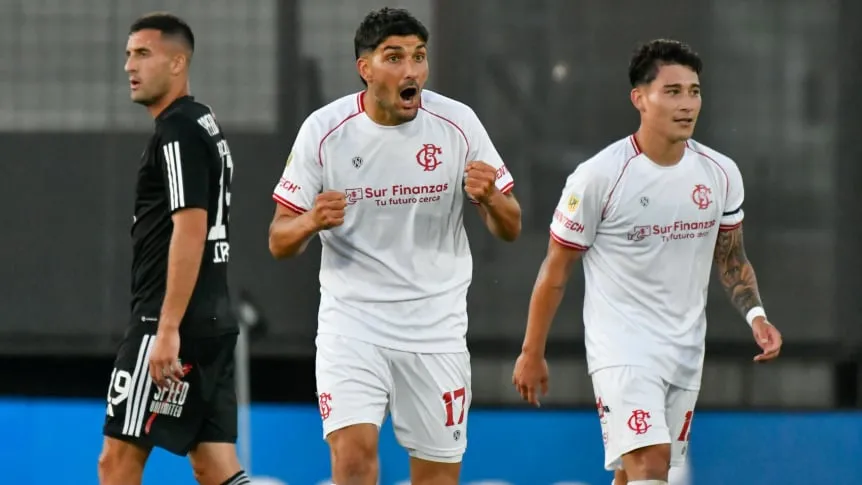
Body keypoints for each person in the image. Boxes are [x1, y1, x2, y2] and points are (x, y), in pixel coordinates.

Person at [511, 39, 783, 485]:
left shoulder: (720, 173)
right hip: (622, 346)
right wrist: (531, 351)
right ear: (639, 98)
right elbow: (556, 269)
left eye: (694, 91)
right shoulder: (599, 176)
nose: (687, 103)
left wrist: (757, 316)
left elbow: (732, 258)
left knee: (636, 473)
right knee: (651, 463)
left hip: (684, 348)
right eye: (672, 91)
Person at [268, 7, 521, 485]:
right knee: (354, 459)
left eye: (419, 57)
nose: (411, 71)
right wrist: (309, 222)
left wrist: (489, 197)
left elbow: (510, 226)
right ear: (365, 69)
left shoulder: (458, 124)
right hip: (353, 324)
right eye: (395, 57)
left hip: (435, 329)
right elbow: (279, 240)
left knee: (437, 478)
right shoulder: (323, 133)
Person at [98, 12, 249, 485]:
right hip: (212, 320)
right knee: (215, 465)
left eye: (143, 53)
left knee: (117, 462)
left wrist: (165, 329)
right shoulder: (203, 122)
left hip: (168, 323)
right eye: (128, 54)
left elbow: (191, 228)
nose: (129, 65)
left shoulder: (178, 130)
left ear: (178, 63)